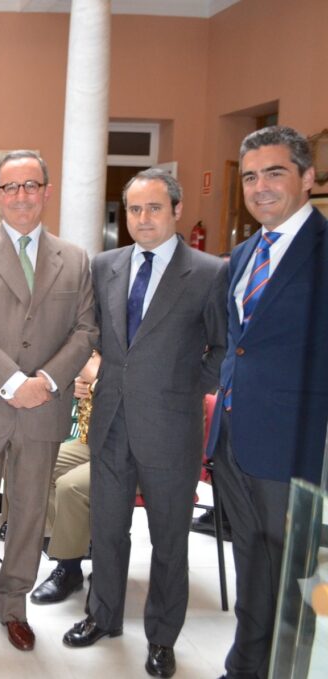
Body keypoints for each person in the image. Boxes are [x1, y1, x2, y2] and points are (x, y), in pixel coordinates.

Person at [62, 169, 228, 679]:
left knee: (169, 541)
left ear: (176, 210)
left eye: (154, 208)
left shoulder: (208, 272)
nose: (143, 218)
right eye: (134, 209)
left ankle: (162, 638)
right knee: (108, 531)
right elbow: (91, 334)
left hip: (171, 429)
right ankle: (103, 616)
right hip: (111, 423)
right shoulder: (106, 265)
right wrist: (89, 371)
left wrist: (185, 385)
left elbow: (223, 349)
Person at [0, 150, 97, 651]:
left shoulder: (75, 259)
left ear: (46, 192)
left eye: (31, 185)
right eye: (10, 187)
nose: (21, 196)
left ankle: (14, 607)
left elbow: (85, 331)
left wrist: (47, 381)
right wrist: (14, 382)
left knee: (30, 514)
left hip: (44, 409)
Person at [206, 126, 328, 679]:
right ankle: (245, 666)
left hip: (296, 444)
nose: (260, 187)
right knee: (253, 563)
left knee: (299, 576)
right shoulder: (244, 254)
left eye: (274, 173)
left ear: (307, 177)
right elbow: (240, 343)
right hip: (235, 438)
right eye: (251, 177)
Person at [30, 351, 99, 606]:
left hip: (136, 449)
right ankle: (78, 543)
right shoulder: (100, 341)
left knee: (70, 486)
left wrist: (95, 381)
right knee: (39, 467)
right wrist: (80, 386)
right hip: (93, 439)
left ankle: (69, 567)